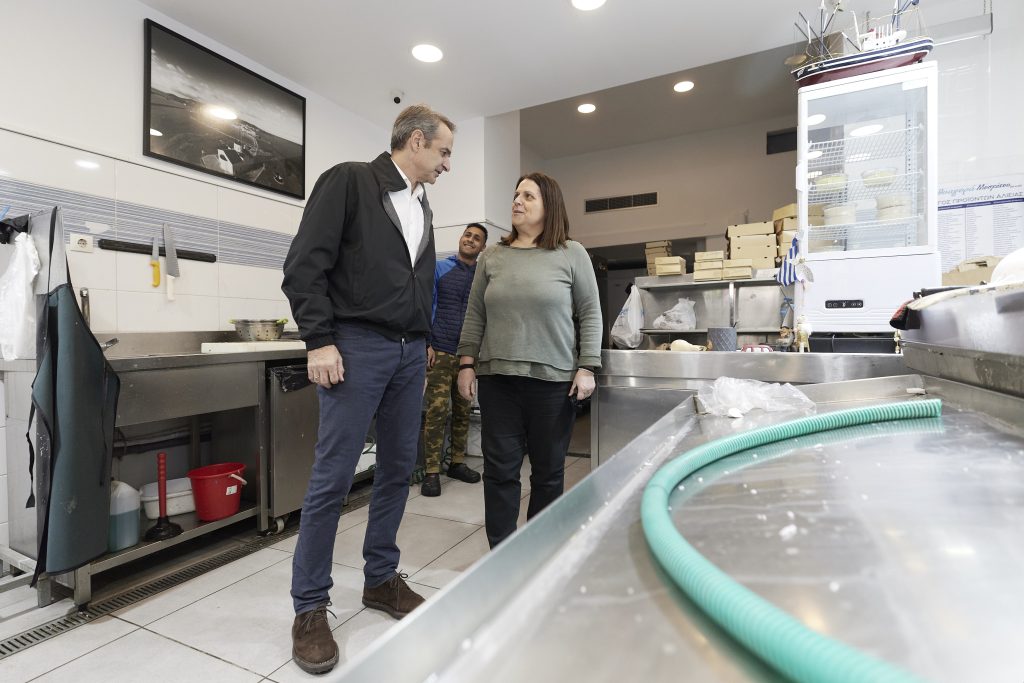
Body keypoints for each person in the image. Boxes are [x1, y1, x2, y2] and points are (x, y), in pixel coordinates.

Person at [281, 104, 455, 675]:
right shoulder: (351, 180)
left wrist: (423, 337)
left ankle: (380, 578)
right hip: (355, 346)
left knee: (399, 468)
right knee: (333, 477)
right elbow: (303, 266)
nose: (447, 164)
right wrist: (319, 340)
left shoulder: (422, 205)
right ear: (416, 141)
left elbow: (416, 282)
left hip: (409, 352)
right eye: (444, 152)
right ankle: (310, 606)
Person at [456, 172, 602, 549]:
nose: (517, 201)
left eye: (528, 196)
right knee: (500, 472)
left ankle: (539, 552)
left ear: (549, 205)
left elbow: (590, 311)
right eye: (516, 194)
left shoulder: (571, 253)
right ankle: (502, 554)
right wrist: (466, 364)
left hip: (553, 383)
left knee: (548, 474)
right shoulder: (493, 256)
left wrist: (587, 366)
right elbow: (475, 314)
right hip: (497, 380)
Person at [421, 223, 488, 497]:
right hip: (439, 351)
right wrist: (426, 342)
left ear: (483, 247)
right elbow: (426, 304)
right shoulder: (440, 268)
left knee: (463, 411)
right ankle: (431, 471)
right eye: (467, 235)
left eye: (477, 238)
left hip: (467, 358)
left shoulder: (482, 276)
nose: (470, 240)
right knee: (437, 412)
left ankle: (457, 463)